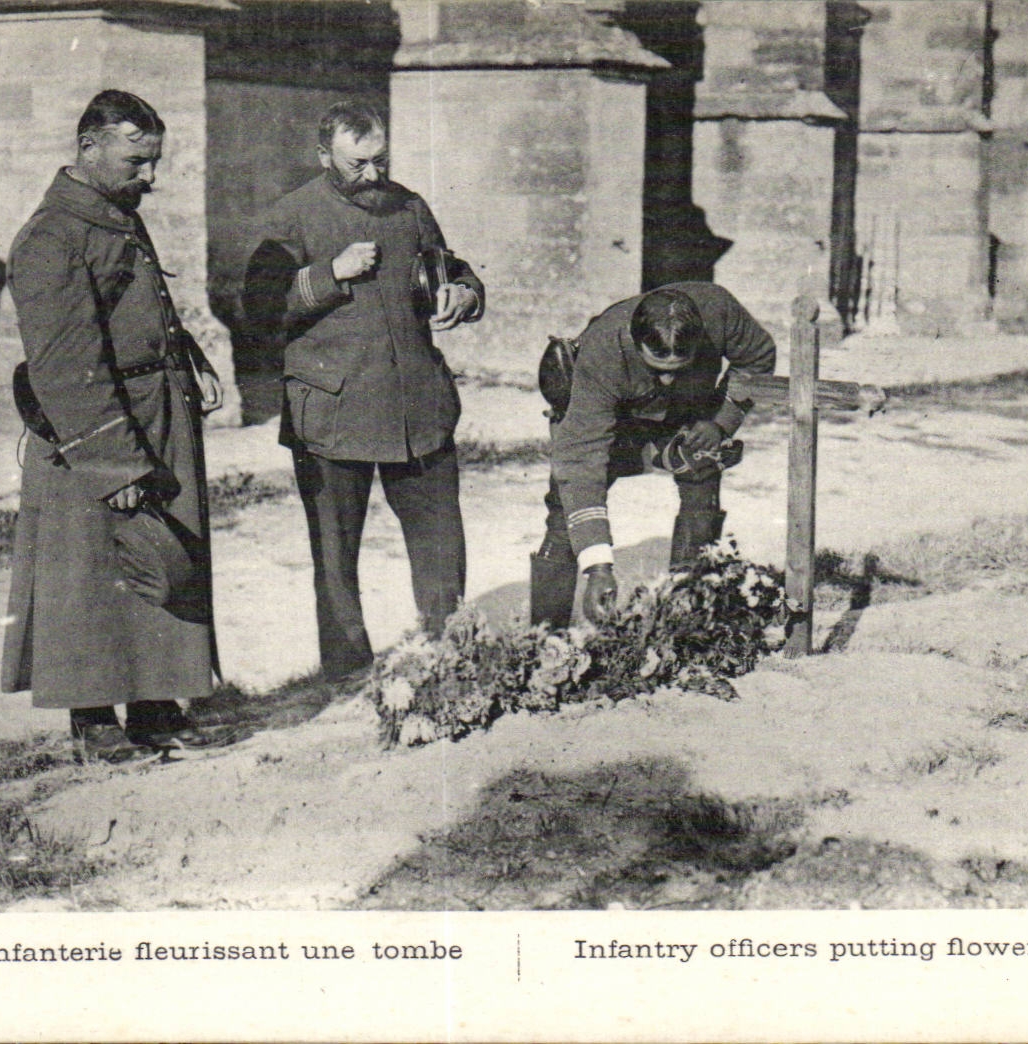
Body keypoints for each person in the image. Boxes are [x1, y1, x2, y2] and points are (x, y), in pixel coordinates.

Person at [0, 90, 232, 762]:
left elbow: (139, 308)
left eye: (154, 161)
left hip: (157, 413)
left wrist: (187, 356)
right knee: (90, 573)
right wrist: (113, 462)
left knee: (162, 558)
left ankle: (156, 705)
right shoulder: (51, 236)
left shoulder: (114, 213)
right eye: (137, 161)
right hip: (94, 430)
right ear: (88, 147)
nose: (150, 176)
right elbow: (65, 361)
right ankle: (94, 720)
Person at [242, 100, 484, 681]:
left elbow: (454, 269)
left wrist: (463, 294)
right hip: (333, 411)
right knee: (335, 552)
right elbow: (258, 312)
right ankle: (348, 674)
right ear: (324, 155)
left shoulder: (410, 206)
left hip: (416, 405)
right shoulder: (290, 217)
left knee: (440, 542)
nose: (373, 175)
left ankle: (445, 652)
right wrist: (330, 275)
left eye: (381, 160)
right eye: (357, 165)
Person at [531, 282, 776, 627]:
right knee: (565, 513)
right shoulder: (603, 352)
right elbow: (582, 461)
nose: (665, 380)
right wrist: (598, 567)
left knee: (702, 474)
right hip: (615, 420)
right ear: (635, 342)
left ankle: (685, 619)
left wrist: (721, 422)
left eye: (677, 369)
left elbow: (758, 356)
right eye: (656, 368)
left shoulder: (719, 311)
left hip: (686, 414)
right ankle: (544, 638)